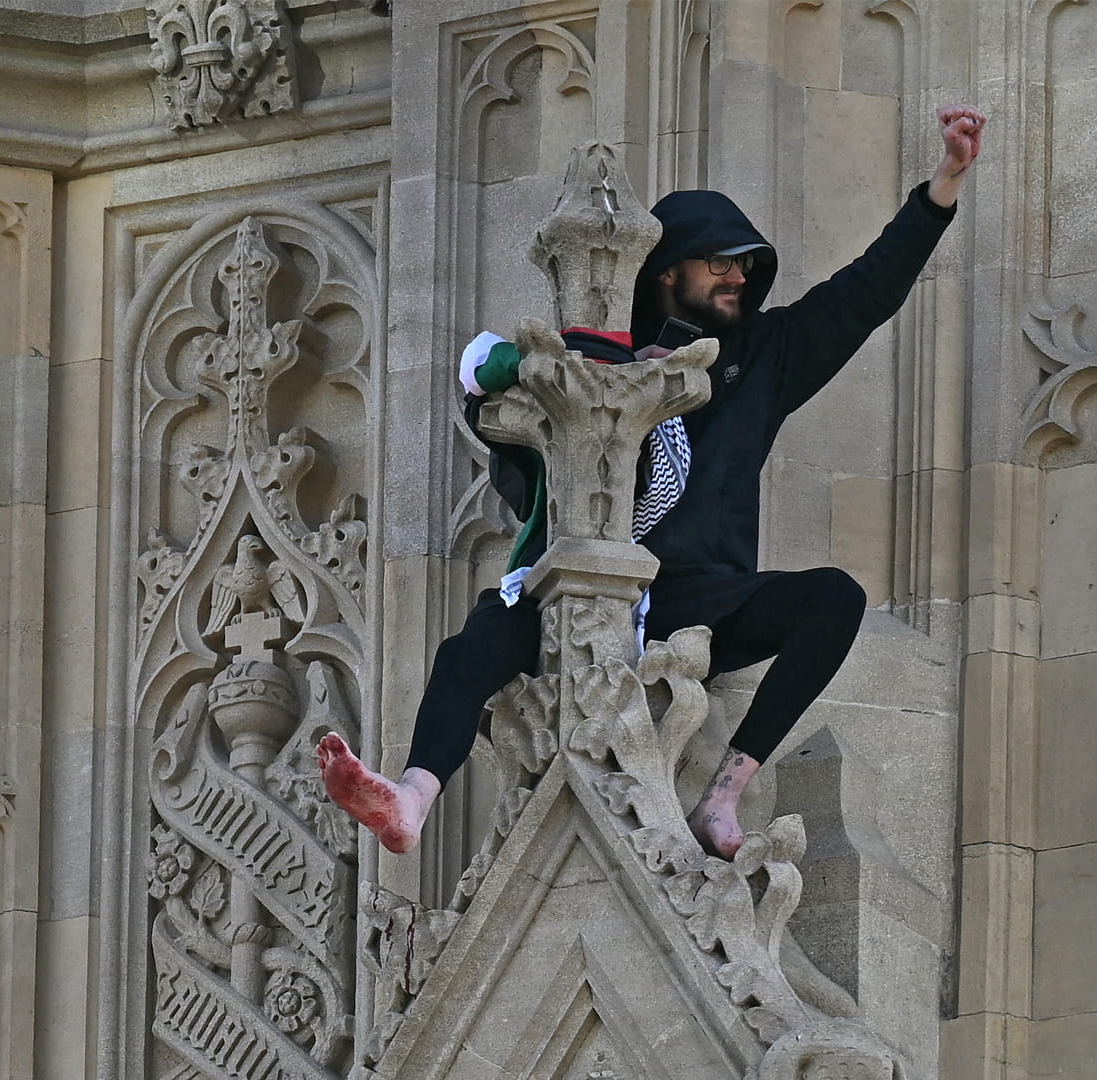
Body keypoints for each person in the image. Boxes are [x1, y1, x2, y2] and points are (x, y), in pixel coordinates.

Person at [319, 105, 986, 859]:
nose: (741, 276)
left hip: (694, 594)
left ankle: (725, 795)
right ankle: (411, 796)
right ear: (669, 272)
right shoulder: (594, 357)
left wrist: (942, 187)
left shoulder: (758, 357)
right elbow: (489, 386)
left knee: (833, 599)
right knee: (475, 643)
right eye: (722, 263)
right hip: (580, 580)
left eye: (747, 265)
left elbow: (863, 295)